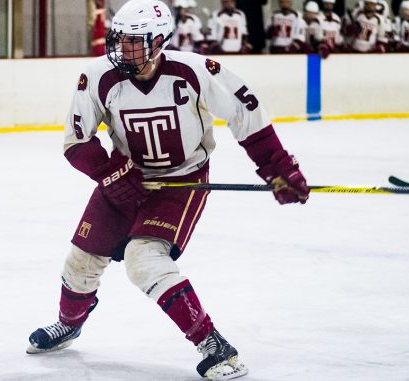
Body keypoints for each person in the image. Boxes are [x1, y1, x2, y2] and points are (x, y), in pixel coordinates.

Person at [26, 1, 310, 381]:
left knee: (144, 259)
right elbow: (76, 141)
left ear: (159, 41)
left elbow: (246, 115)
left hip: (182, 180)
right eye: (120, 39)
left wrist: (278, 167)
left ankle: (214, 345)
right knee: (80, 260)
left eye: (133, 41)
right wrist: (112, 173)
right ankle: (69, 324)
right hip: (124, 177)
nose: (122, 48)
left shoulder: (194, 70)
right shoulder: (98, 76)